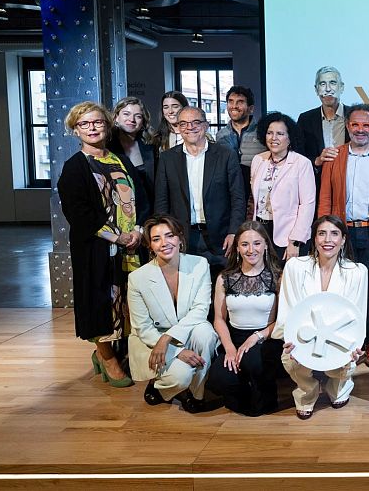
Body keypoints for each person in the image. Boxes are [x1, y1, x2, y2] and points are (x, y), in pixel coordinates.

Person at [58, 101, 149, 389]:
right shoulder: (74, 168)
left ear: (107, 125)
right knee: (102, 301)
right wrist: (116, 236)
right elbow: (79, 214)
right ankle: (106, 356)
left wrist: (136, 230)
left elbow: (140, 198)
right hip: (97, 248)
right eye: (84, 124)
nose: (92, 128)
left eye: (97, 122)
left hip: (131, 245)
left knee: (125, 301)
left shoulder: (120, 159)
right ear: (75, 130)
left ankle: (118, 352)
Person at [318, 103, 369, 366]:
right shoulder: (334, 157)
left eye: (366, 125)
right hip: (342, 235)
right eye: (355, 124)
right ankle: (344, 342)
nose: (360, 130)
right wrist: (324, 237)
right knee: (341, 289)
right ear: (348, 127)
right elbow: (325, 201)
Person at [272, 215, 367, 419]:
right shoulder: (295, 267)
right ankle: (307, 392)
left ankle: (338, 387)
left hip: (338, 336)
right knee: (290, 359)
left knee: (346, 362)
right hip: (304, 336)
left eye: (334, 234)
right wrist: (290, 339)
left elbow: (356, 316)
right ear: (314, 238)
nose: (327, 240)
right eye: (321, 233)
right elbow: (288, 310)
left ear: (343, 240)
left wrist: (355, 345)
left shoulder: (357, 272)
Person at [127, 215, 218, 413]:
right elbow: (142, 327)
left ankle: (197, 394)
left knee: (206, 333)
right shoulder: (137, 278)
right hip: (153, 340)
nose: (164, 243)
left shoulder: (199, 264)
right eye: (156, 239)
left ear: (180, 238)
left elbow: (201, 309)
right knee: (181, 376)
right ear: (150, 245)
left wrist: (169, 337)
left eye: (169, 236)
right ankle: (160, 386)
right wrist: (176, 351)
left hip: (183, 332)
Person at [155, 106, 246, 278]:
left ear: (206, 125)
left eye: (196, 122)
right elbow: (161, 202)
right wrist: (165, 236)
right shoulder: (167, 158)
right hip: (182, 237)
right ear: (178, 128)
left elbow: (238, 198)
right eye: (184, 124)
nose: (190, 127)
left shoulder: (226, 155)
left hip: (221, 239)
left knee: (222, 291)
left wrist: (234, 231)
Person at [206, 221, 283, 416]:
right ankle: (245, 389)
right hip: (235, 338)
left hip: (266, 338)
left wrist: (257, 336)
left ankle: (263, 392)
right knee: (217, 380)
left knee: (252, 362)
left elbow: (284, 319)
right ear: (237, 248)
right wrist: (230, 348)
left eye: (257, 243)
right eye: (245, 244)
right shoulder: (225, 277)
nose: (251, 250)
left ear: (265, 245)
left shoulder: (278, 277)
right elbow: (219, 319)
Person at [296, 66, 369, 187]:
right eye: (322, 84)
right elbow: (297, 157)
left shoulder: (358, 116)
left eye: (332, 83)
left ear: (341, 87)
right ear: (316, 89)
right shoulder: (305, 119)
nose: (327, 89)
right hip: (317, 186)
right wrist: (317, 161)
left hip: (354, 185)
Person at [250, 112, 316, 261]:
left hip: (288, 234)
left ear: (289, 137)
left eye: (280, 134)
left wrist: (296, 240)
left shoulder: (302, 163)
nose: (274, 138)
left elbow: (307, 204)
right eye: (269, 133)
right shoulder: (258, 160)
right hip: (260, 230)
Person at [108, 96, 156, 214]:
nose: (132, 119)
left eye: (138, 116)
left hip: (149, 211)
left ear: (143, 121)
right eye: (126, 114)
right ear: (116, 117)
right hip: (118, 212)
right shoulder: (107, 146)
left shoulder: (150, 145)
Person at [216, 85, 265, 193]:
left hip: (257, 191)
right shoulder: (221, 135)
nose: (234, 106)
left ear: (251, 108)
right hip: (229, 191)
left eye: (240, 102)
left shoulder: (262, 132)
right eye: (231, 101)